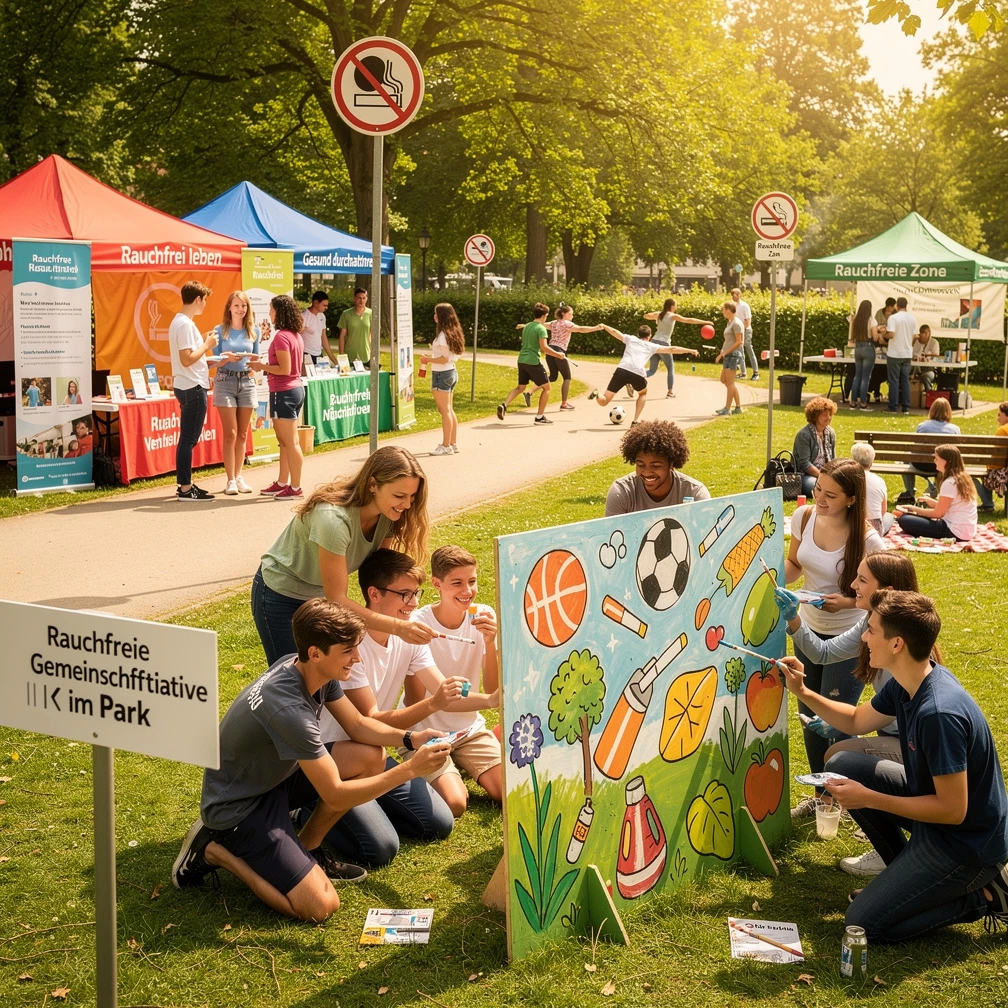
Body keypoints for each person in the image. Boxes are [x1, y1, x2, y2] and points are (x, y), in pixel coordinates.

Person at [172, 598, 452, 919]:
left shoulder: (309, 667)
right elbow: (333, 792)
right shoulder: (289, 710)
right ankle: (215, 851)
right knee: (321, 907)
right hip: (239, 807)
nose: (357, 659)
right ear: (317, 652)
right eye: (348, 651)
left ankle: (308, 849)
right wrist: (410, 769)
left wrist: (410, 738)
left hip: (274, 780)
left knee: (369, 757)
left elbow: (358, 725)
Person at [779, 591, 1008, 943]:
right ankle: (909, 875)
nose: (864, 637)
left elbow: (952, 809)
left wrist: (869, 797)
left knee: (863, 924)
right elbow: (856, 720)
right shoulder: (909, 682)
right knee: (844, 763)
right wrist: (804, 691)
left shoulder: (939, 713)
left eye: (870, 629)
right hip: (935, 816)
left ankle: (988, 897)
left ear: (897, 643)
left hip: (965, 844)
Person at [308, 550, 497, 864]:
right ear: (374, 594)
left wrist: (491, 699)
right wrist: (430, 708)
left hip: (374, 753)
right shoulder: (352, 644)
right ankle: (310, 807)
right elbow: (370, 721)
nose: (413, 603)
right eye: (405, 595)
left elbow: (443, 689)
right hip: (339, 754)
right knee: (380, 849)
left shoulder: (407, 637)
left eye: (416, 594)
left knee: (439, 823)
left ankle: (366, 806)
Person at [774, 552, 921, 877]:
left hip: (911, 747)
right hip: (893, 737)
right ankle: (891, 843)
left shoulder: (901, 646)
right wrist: (794, 619)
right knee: (841, 754)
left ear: (888, 589)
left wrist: (814, 701)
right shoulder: (873, 623)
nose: (852, 586)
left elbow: (865, 719)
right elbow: (824, 653)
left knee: (841, 756)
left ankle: (892, 849)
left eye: (862, 580)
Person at [252, 444, 437, 665]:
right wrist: (398, 627)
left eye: (412, 496)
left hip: (318, 595)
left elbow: (378, 575)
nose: (406, 504)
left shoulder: (389, 516)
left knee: (324, 673)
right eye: (399, 495)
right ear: (372, 485)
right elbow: (337, 598)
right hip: (280, 594)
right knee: (291, 676)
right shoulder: (333, 522)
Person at [785, 457, 886, 817]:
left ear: (852, 499)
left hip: (850, 633)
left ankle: (842, 797)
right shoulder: (804, 517)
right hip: (805, 626)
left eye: (830, 494)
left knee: (837, 720)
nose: (819, 499)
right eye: (818, 489)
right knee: (809, 714)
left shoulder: (870, 540)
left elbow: (881, 596)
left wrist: (843, 602)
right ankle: (821, 794)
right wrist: (772, 580)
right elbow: (795, 564)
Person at [400, 546, 503, 816]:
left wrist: (490, 643)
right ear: (437, 584)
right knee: (456, 804)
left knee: (507, 792)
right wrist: (490, 701)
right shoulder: (419, 623)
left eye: (472, 581)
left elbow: (492, 688)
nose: (467, 590)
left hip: (469, 727)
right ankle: (446, 771)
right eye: (457, 583)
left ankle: (467, 757)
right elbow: (422, 698)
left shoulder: (481, 616)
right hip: (427, 732)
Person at [248, 295, 305, 500]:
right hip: (293, 390)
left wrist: (261, 366)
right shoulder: (294, 335)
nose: (270, 314)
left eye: (271, 310)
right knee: (285, 441)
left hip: (284, 392)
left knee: (290, 442)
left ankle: (295, 487)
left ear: (280, 312)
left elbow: (285, 369)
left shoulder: (282, 336)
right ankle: (283, 482)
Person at [589, 323, 697, 425]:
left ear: (638, 334)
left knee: (604, 401)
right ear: (649, 336)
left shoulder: (630, 339)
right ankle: (635, 421)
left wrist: (604, 326)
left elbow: (614, 332)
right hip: (637, 373)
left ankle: (597, 393)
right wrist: (690, 350)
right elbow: (672, 349)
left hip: (622, 369)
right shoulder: (651, 346)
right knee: (642, 393)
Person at [168, 280, 217, 501]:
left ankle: (185, 486)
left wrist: (209, 355)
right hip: (192, 386)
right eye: (204, 300)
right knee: (188, 439)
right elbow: (186, 359)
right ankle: (186, 489)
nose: (205, 305)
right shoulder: (185, 324)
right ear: (198, 299)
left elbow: (189, 358)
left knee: (186, 439)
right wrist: (207, 346)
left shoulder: (180, 322)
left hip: (187, 384)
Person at [212, 291, 261, 496]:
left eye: (244, 306)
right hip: (225, 379)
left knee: (242, 433)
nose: (241, 309)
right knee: (230, 433)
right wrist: (226, 358)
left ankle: (239, 476)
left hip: (247, 381)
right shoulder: (219, 330)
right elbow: (213, 362)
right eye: (237, 305)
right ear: (229, 308)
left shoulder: (253, 331)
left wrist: (253, 362)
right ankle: (230, 479)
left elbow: (256, 360)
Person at [605, 420, 710, 515]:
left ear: (671, 464)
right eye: (640, 464)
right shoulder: (621, 492)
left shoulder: (695, 494)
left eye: (655, 466)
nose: (646, 472)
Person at [497, 303, 567, 425]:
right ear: (544, 316)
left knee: (521, 387)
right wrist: (558, 354)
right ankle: (539, 417)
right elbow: (544, 348)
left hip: (522, 360)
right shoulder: (541, 328)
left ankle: (504, 404)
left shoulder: (527, 326)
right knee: (547, 388)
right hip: (533, 361)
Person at [897, 444, 978, 542]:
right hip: (967, 530)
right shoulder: (964, 478)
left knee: (904, 520)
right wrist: (933, 502)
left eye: (937, 459)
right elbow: (953, 506)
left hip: (954, 531)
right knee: (909, 519)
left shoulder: (950, 482)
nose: (934, 461)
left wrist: (914, 509)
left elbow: (938, 514)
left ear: (947, 461)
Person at [540, 304, 603, 409]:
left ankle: (530, 392)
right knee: (567, 378)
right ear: (564, 314)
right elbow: (581, 329)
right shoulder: (567, 324)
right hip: (559, 351)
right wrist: (595, 328)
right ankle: (564, 404)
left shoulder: (553, 323)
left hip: (550, 351)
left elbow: (540, 324)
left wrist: (525, 325)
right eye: (570, 314)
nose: (572, 316)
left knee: (553, 377)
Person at [642, 298, 708, 398]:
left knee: (652, 370)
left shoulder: (660, 314)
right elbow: (688, 320)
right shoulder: (673, 316)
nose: (676, 307)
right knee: (670, 368)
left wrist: (656, 314)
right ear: (671, 306)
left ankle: (632, 379)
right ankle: (670, 392)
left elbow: (646, 315)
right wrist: (705, 322)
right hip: (664, 343)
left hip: (654, 342)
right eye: (675, 305)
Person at [422, 303, 464, 455]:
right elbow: (451, 356)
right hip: (451, 372)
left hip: (442, 374)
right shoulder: (452, 332)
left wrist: (428, 360)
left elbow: (444, 358)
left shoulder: (443, 335)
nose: (434, 316)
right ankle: (452, 443)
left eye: (436, 313)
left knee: (444, 410)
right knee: (449, 409)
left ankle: (446, 446)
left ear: (441, 316)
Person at [900, 397, 960, 500]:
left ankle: (909, 492)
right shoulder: (955, 429)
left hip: (920, 464)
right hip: (944, 467)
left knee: (904, 458)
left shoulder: (922, 426)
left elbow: (916, 447)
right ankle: (935, 488)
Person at [792, 396, 837, 498]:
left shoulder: (831, 433)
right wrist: (822, 476)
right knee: (815, 486)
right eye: (824, 415)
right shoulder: (804, 435)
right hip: (807, 475)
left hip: (828, 474)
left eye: (829, 414)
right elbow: (805, 464)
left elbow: (834, 459)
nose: (828, 418)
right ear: (815, 416)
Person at [850, 441, 893, 535]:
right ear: (871, 463)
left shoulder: (846, 478)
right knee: (889, 516)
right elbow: (883, 510)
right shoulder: (879, 481)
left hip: (851, 526)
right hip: (873, 531)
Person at [882, 296, 916, 413]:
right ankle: (906, 407)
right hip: (907, 353)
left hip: (895, 353)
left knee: (894, 381)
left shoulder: (893, 318)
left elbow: (891, 334)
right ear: (906, 305)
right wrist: (909, 344)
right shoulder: (912, 319)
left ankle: (893, 407)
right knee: (905, 380)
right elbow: (915, 335)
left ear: (897, 305)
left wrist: (883, 335)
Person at [974, 401, 1008, 511]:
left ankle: (988, 504)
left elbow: (995, 463)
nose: (997, 418)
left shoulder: (1003, 431)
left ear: (1007, 416)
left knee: (982, 475)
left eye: (999, 415)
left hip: (1003, 473)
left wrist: (988, 467)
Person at [713, 301, 744, 416]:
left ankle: (727, 408)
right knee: (724, 380)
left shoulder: (736, 323)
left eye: (723, 309)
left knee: (730, 383)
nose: (722, 312)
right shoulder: (730, 323)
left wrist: (724, 353)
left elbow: (739, 342)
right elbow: (728, 341)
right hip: (727, 354)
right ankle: (738, 407)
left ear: (728, 310)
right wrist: (722, 352)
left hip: (733, 355)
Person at [848, 300, 878, 410]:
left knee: (857, 376)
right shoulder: (871, 320)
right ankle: (863, 402)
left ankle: (853, 401)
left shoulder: (855, 319)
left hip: (858, 347)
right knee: (866, 377)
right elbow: (875, 337)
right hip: (868, 347)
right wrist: (878, 331)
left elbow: (852, 336)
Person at [337, 287, 371, 366]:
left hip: (366, 355)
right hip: (350, 355)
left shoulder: (371, 313)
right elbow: (342, 336)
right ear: (354, 299)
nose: (361, 301)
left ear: (366, 299)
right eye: (359, 298)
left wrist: (373, 353)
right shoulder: (346, 314)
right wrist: (341, 356)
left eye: (363, 298)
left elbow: (372, 335)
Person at [302, 291, 336, 368]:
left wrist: (335, 361)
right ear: (316, 303)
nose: (326, 308)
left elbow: (324, 338)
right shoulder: (303, 316)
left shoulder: (322, 316)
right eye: (324, 305)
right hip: (306, 355)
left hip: (319, 355)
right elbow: (297, 338)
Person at [730, 287, 758, 381]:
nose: (733, 298)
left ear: (739, 295)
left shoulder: (744, 306)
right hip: (739, 331)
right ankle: (743, 373)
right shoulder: (734, 307)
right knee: (740, 352)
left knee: (749, 350)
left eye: (734, 296)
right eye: (732, 296)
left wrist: (745, 331)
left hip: (746, 330)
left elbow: (748, 320)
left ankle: (756, 373)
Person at [911, 324, 941, 391]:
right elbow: (909, 353)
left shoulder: (934, 342)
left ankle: (928, 393)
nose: (923, 335)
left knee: (926, 377)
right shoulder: (915, 341)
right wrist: (912, 341)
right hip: (914, 367)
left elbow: (936, 355)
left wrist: (927, 355)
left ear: (929, 333)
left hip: (929, 369)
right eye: (921, 332)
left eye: (925, 333)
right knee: (904, 374)